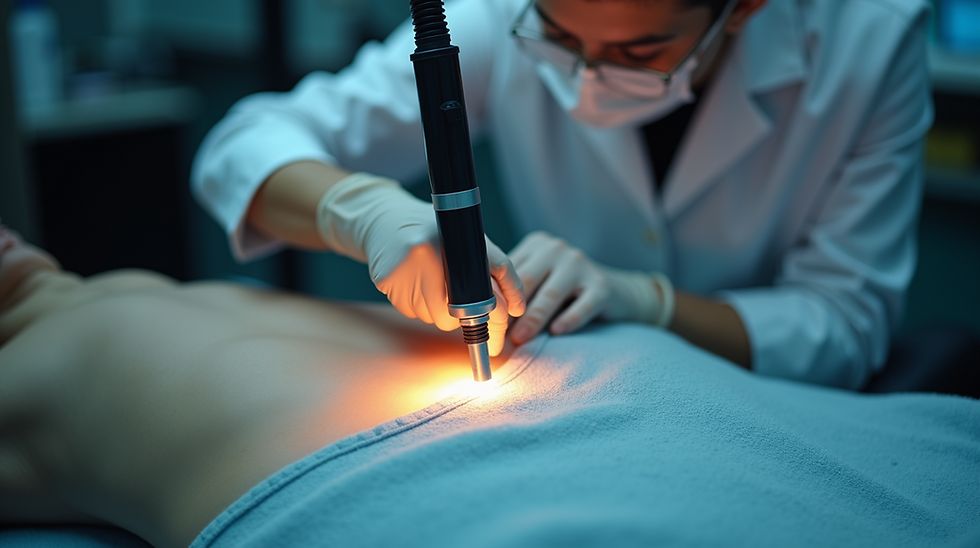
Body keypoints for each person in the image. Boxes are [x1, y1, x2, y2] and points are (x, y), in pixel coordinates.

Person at [2, 224, 979, 548]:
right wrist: (354, 206)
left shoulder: (118, 284)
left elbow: (844, 313)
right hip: (428, 474)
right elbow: (258, 144)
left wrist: (371, 220)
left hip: (618, 377)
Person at [193, 0, 932, 390]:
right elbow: (241, 146)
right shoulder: (496, 18)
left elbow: (845, 323)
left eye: (639, 53)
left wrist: (649, 301)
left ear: (745, 7)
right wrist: (365, 213)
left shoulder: (871, 40)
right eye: (559, 37)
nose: (584, 82)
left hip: (768, 401)